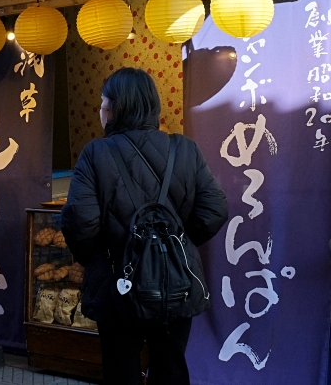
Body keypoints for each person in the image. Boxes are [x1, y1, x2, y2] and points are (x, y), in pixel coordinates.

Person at [61, 68, 229, 385]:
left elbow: (80, 221)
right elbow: (216, 207)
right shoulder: (185, 149)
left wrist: (99, 260)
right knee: (171, 368)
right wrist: (176, 244)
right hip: (176, 282)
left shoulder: (95, 153)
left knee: (120, 368)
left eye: (102, 102)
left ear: (114, 107)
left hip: (116, 283)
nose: (100, 109)